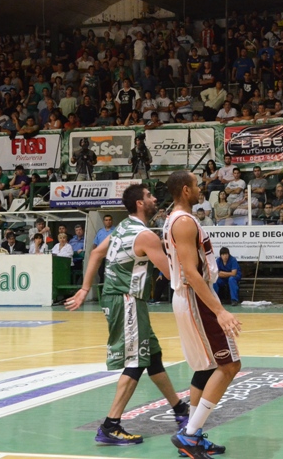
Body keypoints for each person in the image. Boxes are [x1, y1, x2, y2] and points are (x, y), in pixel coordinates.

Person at [65, 184, 191, 447]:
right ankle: (110, 425)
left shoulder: (123, 227)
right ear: (140, 203)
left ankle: (179, 408)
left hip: (119, 299)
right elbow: (172, 274)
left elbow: (96, 253)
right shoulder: (145, 236)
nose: (154, 198)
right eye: (149, 196)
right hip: (127, 300)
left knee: (152, 356)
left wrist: (85, 289)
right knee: (136, 362)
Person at [164, 171, 241, 458]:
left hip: (190, 297)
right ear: (186, 190)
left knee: (207, 368)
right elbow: (190, 272)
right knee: (230, 365)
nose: (201, 188)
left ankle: (192, 435)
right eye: (196, 185)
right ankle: (190, 435)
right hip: (196, 298)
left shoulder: (176, 219)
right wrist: (219, 311)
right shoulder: (184, 222)